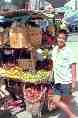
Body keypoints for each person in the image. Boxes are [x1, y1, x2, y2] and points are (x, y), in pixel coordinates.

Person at [49, 29, 77, 118]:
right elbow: (54, 63)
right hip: (57, 81)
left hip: (66, 81)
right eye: (59, 38)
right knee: (56, 100)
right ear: (56, 38)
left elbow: (73, 66)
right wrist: (51, 74)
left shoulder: (69, 51)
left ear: (66, 40)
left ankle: (71, 116)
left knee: (65, 103)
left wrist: (73, 81)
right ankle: (72, 116)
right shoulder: (55, 49)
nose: (61, 40)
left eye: (63, 38)